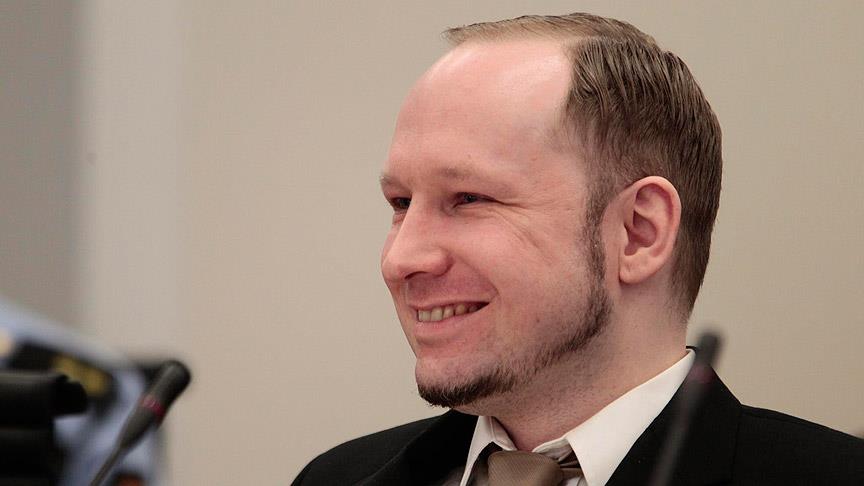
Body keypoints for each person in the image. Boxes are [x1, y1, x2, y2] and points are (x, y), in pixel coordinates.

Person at [292, 12, 864, 486]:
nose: (400, 260)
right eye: (399, 203)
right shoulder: (335, 477)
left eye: (468, 199)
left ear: (638, 232)